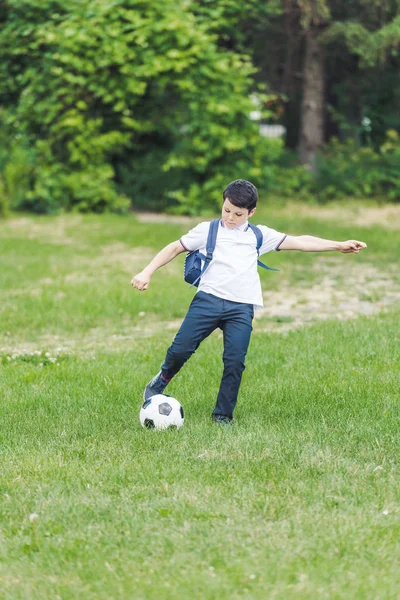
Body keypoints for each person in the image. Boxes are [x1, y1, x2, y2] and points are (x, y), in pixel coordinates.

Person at [131, 180, 367, 425]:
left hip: (241, 308)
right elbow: (173, 248)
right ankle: (162, 379)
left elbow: (301, 242)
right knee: (180, 350)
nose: (230, 217)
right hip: (208, 301)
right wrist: (147, 272)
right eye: (226, 210)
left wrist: (337, 245)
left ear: (251, 212)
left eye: (238, 214)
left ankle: (222, 416)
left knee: (234, 362)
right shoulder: (207, 230)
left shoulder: (259, 235)